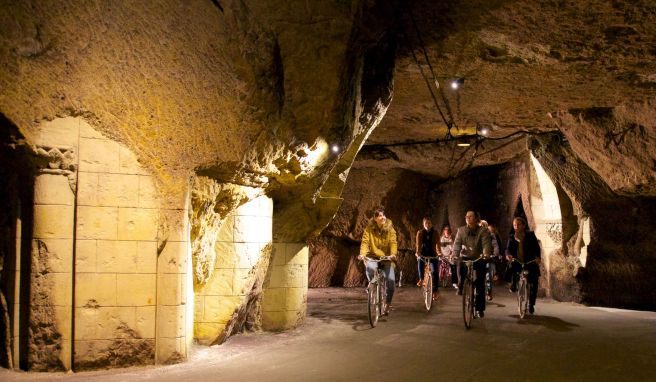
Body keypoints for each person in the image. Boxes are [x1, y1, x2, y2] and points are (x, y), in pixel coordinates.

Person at [358, 208, 398, 315]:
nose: (383, 217)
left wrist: (393, 254)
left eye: (383, 215)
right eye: (380, 216)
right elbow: (365, 242)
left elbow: (393, 242)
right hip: (373, 256)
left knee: (391, 282)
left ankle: (387, 304)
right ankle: (372, 283)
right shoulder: (369, 229)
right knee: (370, 268)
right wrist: (362, 254)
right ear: (375, 218)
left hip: (387, 258)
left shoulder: (390, 229)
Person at [452, 210, 492, 318]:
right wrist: (455, 254)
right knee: (459, 264)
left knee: (479, 283)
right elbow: (457, 244)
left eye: (470, 216)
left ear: (476, 218)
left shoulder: (483, 231)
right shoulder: (461, 230)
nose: (468, 218)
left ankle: (479, 309)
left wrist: (486, 253)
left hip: (479, 258)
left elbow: (486, 243)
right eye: (466, 216)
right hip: (466, 256)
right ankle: (461, 286)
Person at [505, 216, 541, 314]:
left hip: (529, 261)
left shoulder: (530, 235)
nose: (516, 226)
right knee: (512, 266)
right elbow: (508, 248)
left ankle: (531, 304)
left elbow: (536, 248)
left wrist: (538, 257)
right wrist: (508, 255)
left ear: (523, 225)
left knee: (534, 283)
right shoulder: (512, 237)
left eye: (518, 224)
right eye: (514, 225)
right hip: (517, 261)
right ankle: (513, 283)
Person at [415, 216, 440, 300]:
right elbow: (418, 245)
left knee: (435, 272)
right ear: (423, 224)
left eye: (429, 223)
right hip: (423, 254)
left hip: (433, 254)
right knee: (420, 261)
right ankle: (422, 279)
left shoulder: (435, 233)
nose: (428, 225)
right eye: (426, 223)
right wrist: (418, 253)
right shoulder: (420, 233)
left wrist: (439, 253)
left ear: (431, 224)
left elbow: (438, 245)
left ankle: (435, 291)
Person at [479, 219, 499, 301]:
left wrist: (494, 254)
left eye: (483, 226)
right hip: (478, 258)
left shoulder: (491, 235)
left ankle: (489, 292)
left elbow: (495, 245)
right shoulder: (475, 235)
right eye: (480, 226)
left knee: (488, 277)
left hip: (488, 258)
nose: (482, 228)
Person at [437, 225, 457, 289]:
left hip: (449, 256)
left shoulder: (451, 239)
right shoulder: (441, 238)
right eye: (446, 230)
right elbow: (439, 247)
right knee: (439, 265)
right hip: (442, 255)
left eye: (448, 230)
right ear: (444, 231)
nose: (447, 231)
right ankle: (438, 279)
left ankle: (454, 282)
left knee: (453, 265)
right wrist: (440, 253)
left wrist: (450, 240)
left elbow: (453, 249)